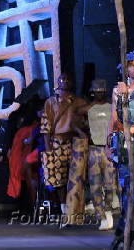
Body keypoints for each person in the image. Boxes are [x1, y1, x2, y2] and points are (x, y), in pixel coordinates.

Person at [107, 51, 134, 249]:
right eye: (131, 64)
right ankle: (123, 233)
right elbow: (114, 118)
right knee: (127, 191)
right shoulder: (118, 90)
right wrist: (109, 143)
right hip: (124, 145)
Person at [40, 73, 88, 224]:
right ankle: (63, 210)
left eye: (68, 79)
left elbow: (85, 123)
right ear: (58, 82)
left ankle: (75, 211)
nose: (65, 81)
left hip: (74, 142)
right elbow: (46, 126)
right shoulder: (51, 102)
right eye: (62, 79)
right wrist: (49, 150)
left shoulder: (79, 102)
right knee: (59, 179)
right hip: (56, 143)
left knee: (75, 178)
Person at [79, 79, 115, 230]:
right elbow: (74, 117)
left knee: (110, 185)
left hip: (108, 150)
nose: (99, 91)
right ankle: (101, 216)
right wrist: (82, 132)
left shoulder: (111, 107)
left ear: (106, 90)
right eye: (96, 89)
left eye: (102, 88)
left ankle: (108, 211)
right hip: (93, 150)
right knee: (94, 186)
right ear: (92, 91)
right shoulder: (87, 108)